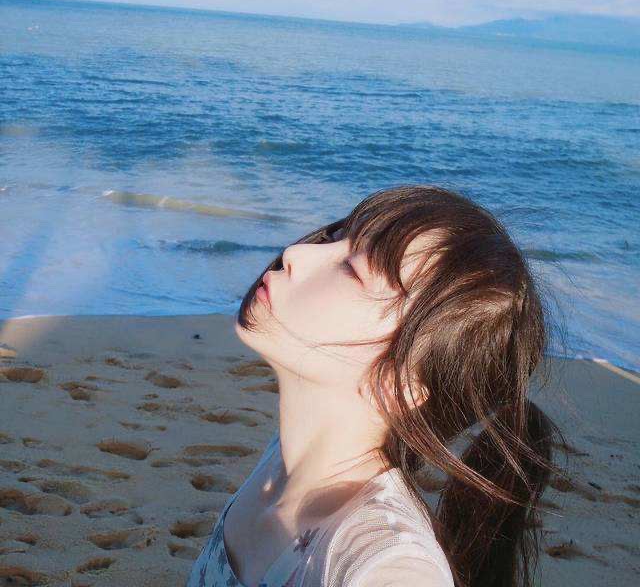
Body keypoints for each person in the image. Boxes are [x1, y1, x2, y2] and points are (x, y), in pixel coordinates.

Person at [186, 184, 563, 587]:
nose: (297, 253)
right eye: (335, 235)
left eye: (354, 270)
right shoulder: (283, 457)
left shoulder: (388, 565)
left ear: (400, 384)